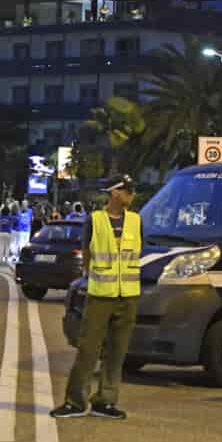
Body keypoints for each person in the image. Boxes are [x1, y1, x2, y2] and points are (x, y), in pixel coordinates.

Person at [51, 175, 141, 421]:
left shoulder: (136, 221)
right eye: (127, 190)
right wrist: (93, 279)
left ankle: (106, 400)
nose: (131, 195)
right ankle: (75, 401)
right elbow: (88, 255)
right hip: (101, 295)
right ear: (114, 193)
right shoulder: (95, 220)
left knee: (117, 352)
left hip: (129, 295)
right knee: (89, 349)